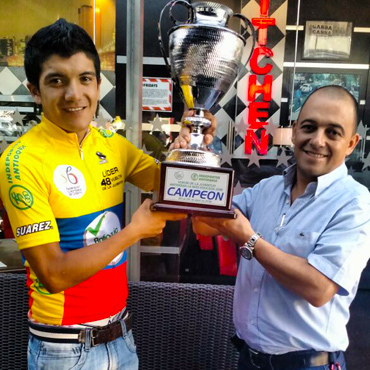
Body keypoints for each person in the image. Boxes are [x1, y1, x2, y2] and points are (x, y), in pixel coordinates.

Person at [0, 19, 191, 370]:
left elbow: (176, 196)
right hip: (64, 349)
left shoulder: (111, 145)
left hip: (121, 336)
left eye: (85, 79)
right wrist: (133, 232)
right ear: (34, 90)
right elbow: (53, 274)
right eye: (57, 81)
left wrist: (188, 156)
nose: (74, 94)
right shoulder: (20, 161)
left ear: (98, 84)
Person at [189, 85, 370, 370]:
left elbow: (319, 288)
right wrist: (196, 149)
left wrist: (248, 240)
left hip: (310, 366)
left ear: (351, 143)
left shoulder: (356, 204)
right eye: (309, 127)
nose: (317, 140)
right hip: (250, 360)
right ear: (295, 130)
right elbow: (205, 222)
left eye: (333, 132)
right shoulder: (266, 189)